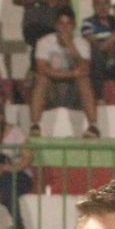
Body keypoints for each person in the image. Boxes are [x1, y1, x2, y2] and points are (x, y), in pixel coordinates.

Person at [30, 9, 101, 137]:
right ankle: (35, 124)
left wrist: (71, 46)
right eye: (61, 23)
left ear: (73, 25)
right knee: (41, 78)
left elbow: (85, 69)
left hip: (73, 92)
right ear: (56, 25)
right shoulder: (44, 42)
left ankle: (93, 126)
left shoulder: (82, 43)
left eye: (68, 23)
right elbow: (42, 69)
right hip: (52, 91)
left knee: (83, 79)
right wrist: (73, 74)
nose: (64, 27)